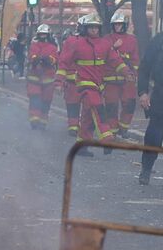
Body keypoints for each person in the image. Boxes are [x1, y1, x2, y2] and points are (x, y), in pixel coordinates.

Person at [56, 13, 133, 156]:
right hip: (85, 84)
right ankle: (107, 138)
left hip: (99, 85)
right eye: (91, 27)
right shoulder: (76, 43)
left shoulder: (104, 44)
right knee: (98, 109)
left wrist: (126, 72)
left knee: (87, 115)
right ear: (85, 28)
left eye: (96, 28)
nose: (94, 30)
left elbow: (115, 61)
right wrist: (59, 82)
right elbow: (63, 62)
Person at [103, 11, 139, 137]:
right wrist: (114, 47)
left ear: (125, 25)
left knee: (129, 103)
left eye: (120, 24)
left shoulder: (132, 39)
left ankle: (124, 128)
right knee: (111, 106)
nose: (118, 27)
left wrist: (133, 73)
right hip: (110, 79)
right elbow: (104, 55)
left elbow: (135, 59)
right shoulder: (107, 39)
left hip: (127, 78)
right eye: (116, 25)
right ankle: (113, 130)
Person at [137, 31, 163, 184]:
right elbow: (145, 68)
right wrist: (143, 93)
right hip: (160, 97)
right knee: (154, 136)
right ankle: (146, 169)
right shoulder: (158, 41)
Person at [26, 24, 58, 129]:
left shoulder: (53, 47)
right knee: (35, 99)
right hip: (34, 77)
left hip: (48, 79)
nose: (43, 36)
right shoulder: (34, 45)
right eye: (41, 34)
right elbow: (31, 55)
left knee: (46, 101)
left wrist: (49, 60)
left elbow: (55, 58)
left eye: (45, 34)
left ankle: (43, 121)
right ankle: (34, 120)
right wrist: (35, 59)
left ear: (48, 35)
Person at [57, 27, 81, 136]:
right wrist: (60, 83)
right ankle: (73, 127)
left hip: (81, 83)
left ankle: (80, 127)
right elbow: (61, 67)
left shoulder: (77, 49)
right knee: (72, 106)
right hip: (71, 84)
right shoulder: (63, 52)